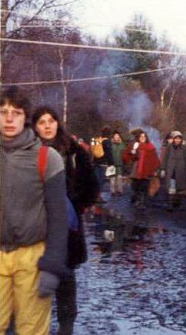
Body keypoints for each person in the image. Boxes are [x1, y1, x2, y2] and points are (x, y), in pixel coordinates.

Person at [0, 87, 69, 334]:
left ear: (25, 117)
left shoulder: (46, 158)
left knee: (31, 329)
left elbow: (59, 217)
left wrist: (52, 264)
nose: (9, 119)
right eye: (3, 112)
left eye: (16, 113)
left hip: (32, 258)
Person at [32, 106, 99, 335]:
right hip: (35, 224)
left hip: (66, 226)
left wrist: (73, 205)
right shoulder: (27, 152)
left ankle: (66, 325)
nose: (48, 125)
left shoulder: (74, 152)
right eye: (42, 122)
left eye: (51, 120)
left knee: (65, 276)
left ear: (58, 123)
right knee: (32, 275)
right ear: (35, 126)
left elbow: (92, 186)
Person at [125, 131, 160, 209]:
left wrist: (155, 169)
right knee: (136, 185)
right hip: (136, 170)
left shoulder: (150, 147)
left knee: (144, 186)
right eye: (141, 137)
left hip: (146, 169)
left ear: (146, 138)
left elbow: (154, 159)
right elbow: (131, 157)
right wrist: (133, 151)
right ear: (139, 138)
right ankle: (137, 199)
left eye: (144, 137)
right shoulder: (136, 145)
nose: (142, 138)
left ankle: (142, 202)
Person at [160, 130, 186, 210]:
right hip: (171, 171)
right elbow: (165, 159)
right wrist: (163, 169)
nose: (177, 140)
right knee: (171, 187)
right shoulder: (169, 148)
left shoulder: (184, 148)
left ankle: (177, 202)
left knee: (179, 188)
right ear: (173, 139)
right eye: (176, 138)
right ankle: (170, 204)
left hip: (181, 171)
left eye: (179, 138)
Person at [93, 126, 114, 198]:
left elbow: (93, 151)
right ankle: (98, 196)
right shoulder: (107, 141)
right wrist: (111, 164)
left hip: (96, 162)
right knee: (101, 180)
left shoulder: (98, 140)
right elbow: (109, 153)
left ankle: (94, 195)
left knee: (96, 179)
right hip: (103, 163)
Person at [110, 131, 126, 196]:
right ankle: (113, 191)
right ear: (113, 137)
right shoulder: (111, 144)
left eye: (117, 136)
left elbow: (125, 153)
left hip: (119, 164)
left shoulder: (122, 144)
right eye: (115, 136)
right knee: (112, 179)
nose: (116, 137)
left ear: (119, 137)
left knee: (119, 178)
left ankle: (119, 190)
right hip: (112, 164)